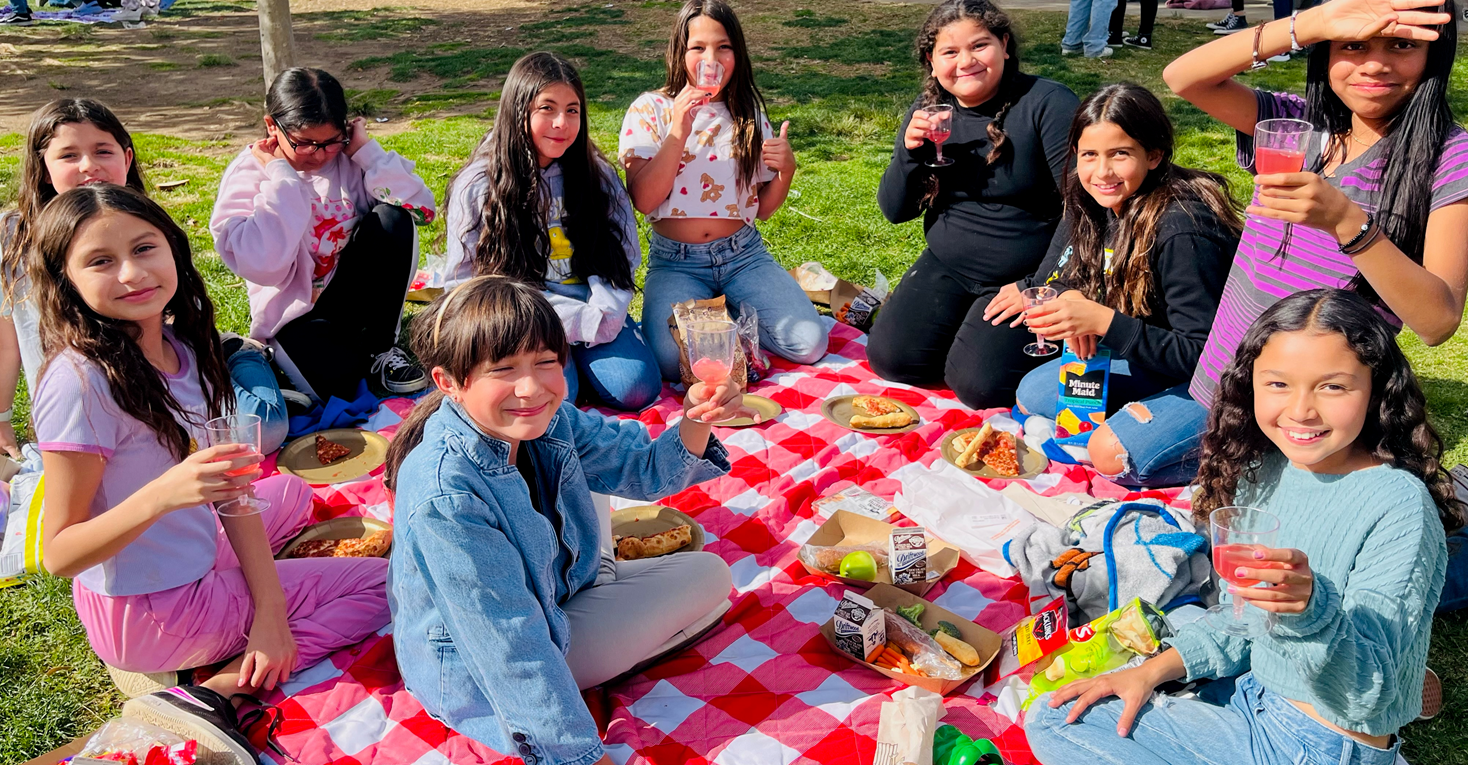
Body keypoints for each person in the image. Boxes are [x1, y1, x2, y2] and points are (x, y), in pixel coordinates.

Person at [31, 185, 389, 764]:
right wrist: (165, 496)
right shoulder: (81, 382)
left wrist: (268, 605)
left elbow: (233, 491)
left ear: (173, 248)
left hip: (184, 553)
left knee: (291, 490)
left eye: (144, 248)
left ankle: (256, 611)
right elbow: (59, 554)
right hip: (152, 611)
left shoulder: (182, 347)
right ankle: (223, 685)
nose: (131, 273)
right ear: (65, 280)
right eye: (100, 261)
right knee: (386, 583)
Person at [1025, 288, 1457, 765]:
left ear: (1377, 389)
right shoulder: (1265, 471)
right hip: (1255, 693)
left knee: (1057, 719)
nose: (1301, 410)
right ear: (1249, 384)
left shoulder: (1398, 505)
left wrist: (1308, 609)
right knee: (1078, 699)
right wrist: (1148, 673)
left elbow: (1367, 695)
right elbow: (1241, 621)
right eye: (1278, 384)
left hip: (1322, 740)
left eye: (1333, 387)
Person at [1080, 0, 1468, 486]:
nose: (1374, 64)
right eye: (1352, 45)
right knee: (1066, 411)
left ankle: (1311, 461)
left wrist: (1347, 223)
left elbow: (1438, 321)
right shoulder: (1294, 127)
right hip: (1225, 371)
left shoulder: (1448, 157)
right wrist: (1311, 22)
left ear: (1435, 54)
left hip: (1305, 398)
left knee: (1115, 454)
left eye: (1402, 45)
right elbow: (1183, 77)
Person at [385, 276, 741, 765]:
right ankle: (605, 622)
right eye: (504, 369)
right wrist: (581, 757)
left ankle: (605, 591)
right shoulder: (447, 495)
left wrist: (698, 416)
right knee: (708, 580)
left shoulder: (551, 421)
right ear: (449, 383)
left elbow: (642, 468)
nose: (530, 387)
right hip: (483, 669)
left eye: (546, 362)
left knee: (708, 571)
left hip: (559, 593)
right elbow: (510, 645)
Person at [3, 100, 289, 454]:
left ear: (126, 159)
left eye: (102, 151)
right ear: (44, 168)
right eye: (69, 155)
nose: (88, 166)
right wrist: (2, 416)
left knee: (262, 430)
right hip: (95, 393)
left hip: (169, 377)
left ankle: (242, 358)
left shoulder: (143, 221)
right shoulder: (14, 237)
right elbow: (7, 333)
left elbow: (186, 322)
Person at [996, 83, 1240, 483]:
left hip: (1213, 379)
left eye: (1120, 154)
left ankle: (1244, 448)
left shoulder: (1183, 229)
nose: (1102, 172)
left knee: (1115, 457)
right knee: (1033, 394)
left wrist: (1104, 322)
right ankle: (1140, 420)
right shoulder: (1092, 201)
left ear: (1154, 155)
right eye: (1089, 155)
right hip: (1152, 358)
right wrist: (1075, 301)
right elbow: (1058, 278)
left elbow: (1205, 355)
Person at [868, 0, 1079, 409]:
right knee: (892, 359)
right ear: (931, 62)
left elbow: (1084, 209)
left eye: (979, 46)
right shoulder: (929, 114)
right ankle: (967, 334)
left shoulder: (1048, 104)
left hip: (1026, 275)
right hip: (948, 263)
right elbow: (895, 211)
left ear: (1004, 45)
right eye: (949, 52)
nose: (965, 62)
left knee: (978, 385)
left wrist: (1037, 286)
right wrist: (909, 153)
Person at [620, 0, 826, 381]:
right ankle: (727, 319)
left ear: (738, 54)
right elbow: (645, 199)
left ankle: (726, 314)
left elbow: (763, 209)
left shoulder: (748, 115)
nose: (711, 59)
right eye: (698, 47)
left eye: (723, 47)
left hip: (743, 256)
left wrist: (786, 172)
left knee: (809, 344)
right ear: (679, 52)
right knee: (670, 361)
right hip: (677, 262)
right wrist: (678, 128)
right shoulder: (651, 109)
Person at [445, 52, 660, 412]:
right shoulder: (480, 184)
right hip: (523, 318)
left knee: (636, 388)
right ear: (519, 110)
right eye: (547, 108)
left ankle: (582, 362)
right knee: (555, 400)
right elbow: (464, 283)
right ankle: (571, 369)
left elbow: (624, 253)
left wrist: (605, 314)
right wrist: (561, 323)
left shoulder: (597, 175)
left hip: (594, 311)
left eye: (572, 110)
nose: (562, 123)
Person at [211, 67, 438, 403]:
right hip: (295, 314)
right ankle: (271, 355)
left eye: (331, 142)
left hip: (351, 297)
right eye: (304, 144)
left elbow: (422, 211)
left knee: (393, 218)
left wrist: (367, 153)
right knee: (340, 389)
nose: (319, 154)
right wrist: (282, 179)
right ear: (272, 126)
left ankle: (380, 347)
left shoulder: (349, 159)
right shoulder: (249, 174)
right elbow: (264, 268)